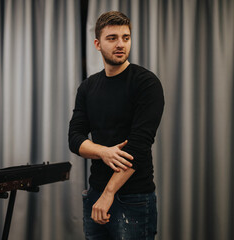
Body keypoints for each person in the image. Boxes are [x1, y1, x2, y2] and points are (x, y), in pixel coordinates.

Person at [68, 11, 164, 239]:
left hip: (134, 198)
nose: (120, 44)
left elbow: (139, 146)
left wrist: (109, 193)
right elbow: (74, 138)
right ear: (97, 44)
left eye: (126, 37)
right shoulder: (88, 87)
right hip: (95, 193)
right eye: (112, 38)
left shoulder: (146, 83)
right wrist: (104, 152)